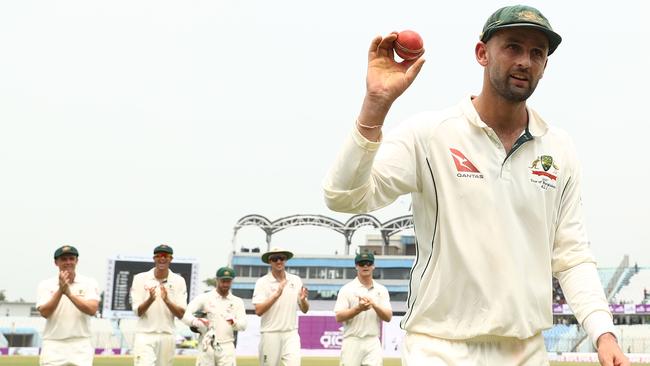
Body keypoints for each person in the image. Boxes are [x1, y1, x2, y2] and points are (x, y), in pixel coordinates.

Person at [323, 5, 629, 366]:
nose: (525, 62)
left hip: (525, 349)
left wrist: (603, 332)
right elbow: (343, 197)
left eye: (537, 53)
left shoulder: (558, 148)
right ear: (482, 53)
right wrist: (375, 105)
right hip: (439, 348)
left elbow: (572, 255)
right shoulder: (430, 134)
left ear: (545, 65)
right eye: (512, 47)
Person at [37, 245, 100, 366]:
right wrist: (61, 290)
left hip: (81, 343)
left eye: (71, 258)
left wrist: (69, 294)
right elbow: (45, 313)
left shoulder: (89, 283)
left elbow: (92, 309)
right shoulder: (45, 284)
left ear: (77, 261)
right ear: (56, 262)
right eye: (64, 259)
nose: (68, 262)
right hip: (53, 343)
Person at [130, 244, 187, 366]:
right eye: (158, 256)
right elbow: (138, 312)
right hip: (145, 335)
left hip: (167, 335)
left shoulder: (178, 281)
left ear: (171, 259)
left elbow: (181, 314)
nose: (162, 259)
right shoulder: (140, 279)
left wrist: (167, 301)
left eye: (165, 256)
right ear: (154, 258)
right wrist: (150, 299)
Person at [252, 247, 309, 366]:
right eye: (275, 259)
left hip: (291, 333)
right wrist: (276, 295)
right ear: (269, 261)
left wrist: (303, 301)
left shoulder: (296, 280)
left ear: (285, 260)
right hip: (270, 333)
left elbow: (305, 309)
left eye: (281, 258)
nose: (279, 261)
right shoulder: (262, 282)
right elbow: (258, 311)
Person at [334, 252, 392, 366]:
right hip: (352, 340)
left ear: (373, 266)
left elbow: (388, 317)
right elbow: (339, 317)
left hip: (373, 340)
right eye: (361, 263)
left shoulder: (381, 290)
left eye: (368, 263)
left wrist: (374, 305)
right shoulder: (346, 289)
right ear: (356, 266)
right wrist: (358, 309)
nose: (365, 266)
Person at [182, 267, 247, 366]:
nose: (225, 284)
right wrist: (195, 321)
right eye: (223, 281)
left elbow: (243, 325)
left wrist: (234, 322)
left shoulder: (237, 301)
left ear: (232, 281)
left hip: (227, 345)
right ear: (217, 280)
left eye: (228, 281)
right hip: (207, 343)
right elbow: (185, 315)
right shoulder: (204, 298)